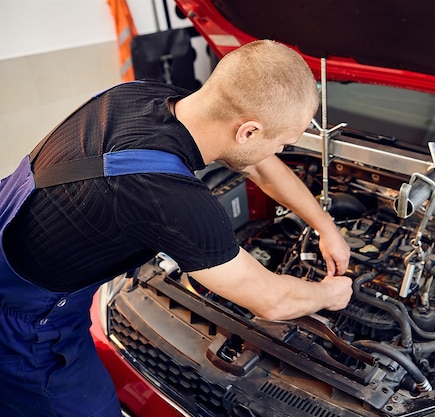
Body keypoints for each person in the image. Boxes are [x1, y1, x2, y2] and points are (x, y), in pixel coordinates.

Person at [0, 40, 353, 417]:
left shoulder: (142, 95)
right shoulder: (167, 196)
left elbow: (259, 166)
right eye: (282, 143)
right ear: (248, 132)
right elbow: (272, 300)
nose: (281, 152)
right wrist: (330, 293)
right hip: (25, 326)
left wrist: (325, 227)